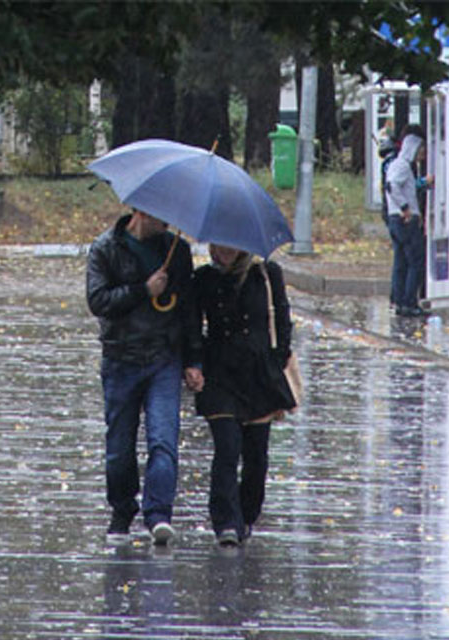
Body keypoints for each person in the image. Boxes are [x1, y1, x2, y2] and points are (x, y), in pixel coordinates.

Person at [86, 208, 198, 546]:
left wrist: (194, 360)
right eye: (156, 215)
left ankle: (159, 514)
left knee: (164, 438)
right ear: (137, 211)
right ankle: (122, 510)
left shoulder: (176, 250)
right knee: (119, 446)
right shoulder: (105, 248)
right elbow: (98, 300)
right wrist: (143, 291)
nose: (165, 221)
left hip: (164, 358)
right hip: (121, 359)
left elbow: (188, 308)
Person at [183, 244, 294, 547]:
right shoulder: (203, 278)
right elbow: (193, 325)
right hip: (220, 374)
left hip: (259, 376)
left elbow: (282, 319)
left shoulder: (266, 274)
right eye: (218, 245)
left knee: (256, 455)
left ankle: (246, 515)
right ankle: (225, 522)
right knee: (227, 448)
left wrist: (278, 358)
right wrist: (193, 363)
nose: (224, 251)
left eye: (230, 245)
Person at [384, 124, 433, 317]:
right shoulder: (402, 166)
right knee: (415, 261)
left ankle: (399, 300)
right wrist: (406, 208)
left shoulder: (398, 165)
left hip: (395, 219)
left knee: (401, 262)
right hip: (404, 220)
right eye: (421, 150)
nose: (423, 154)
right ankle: (409, 302)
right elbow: (392, 186)